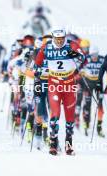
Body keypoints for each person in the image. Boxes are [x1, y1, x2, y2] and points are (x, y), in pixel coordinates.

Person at [35, 27, 87, 155]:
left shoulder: (72, 44)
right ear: (53, 38)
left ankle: (68, 145)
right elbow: (37, 63)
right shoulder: (46, 46)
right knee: (55, 114)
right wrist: (37, 74)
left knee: (69, 117)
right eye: (57, 39)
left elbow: (83, 58)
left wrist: (75, 56)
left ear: (65, 38)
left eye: (61, 39)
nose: (59, 41)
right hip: (54, 84)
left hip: (69, 84)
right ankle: (53, 144)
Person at [82, 46, 105, 137]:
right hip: (88, 83)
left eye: (95, 55)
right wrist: (81, 72)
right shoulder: (85, 59)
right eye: (92, 55)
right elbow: (78, 68)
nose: (94, 57)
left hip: (99, 84)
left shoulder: (102, 59)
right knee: (87, 104)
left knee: (100, 105)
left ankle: (99, 127)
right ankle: (86, 124)